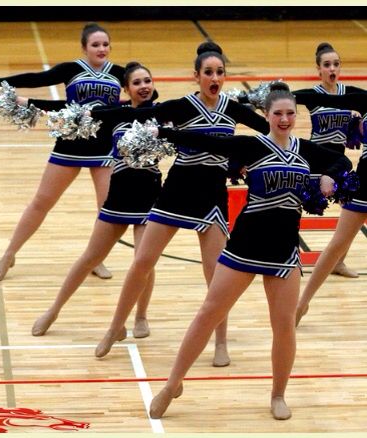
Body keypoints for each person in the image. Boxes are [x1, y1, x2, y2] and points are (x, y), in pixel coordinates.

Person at [143, 82, 352, 420]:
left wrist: (329, 177)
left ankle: (278, 394)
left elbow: (341, 161)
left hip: (284, 251)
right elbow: (207, 141)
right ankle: (172, 384)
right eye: (277, 113)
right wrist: (163, 133)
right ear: (266, 116)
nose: (284, 119)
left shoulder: (306, 150)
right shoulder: (252, 146)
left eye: (289, 113)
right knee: (208, 312)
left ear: (295, 117)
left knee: (283, 325)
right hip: (244, 246)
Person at [91, 41, 270, 367]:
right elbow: (140, 114)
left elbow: (269, 130)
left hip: (212, 196)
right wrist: (93, 113)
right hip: (178, 190)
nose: (214, 77)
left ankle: (221, 341)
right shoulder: (182, 106)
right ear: (196, 76)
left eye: (219, 72)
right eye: (208, 72)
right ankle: (115, 326)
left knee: (216, 276)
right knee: (142, 261)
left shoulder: (232, 108)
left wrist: (243, 160)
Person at [0, 22, 125, 281]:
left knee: (106, 209)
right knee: (42, 201)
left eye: (105, 44)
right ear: (84, 48)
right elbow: (36, 79)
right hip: (69, 144)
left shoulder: (119, 72)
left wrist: (125, 104)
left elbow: (148, 91)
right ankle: (9, 254)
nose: (101, 49)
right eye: (95, 45)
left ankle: (96, 259)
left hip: (103, 148)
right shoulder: (72, 69)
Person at [31, 61, 161, 338]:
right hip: (118, 196)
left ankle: (141, 316)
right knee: (90, 257)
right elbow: (68, 111)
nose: (143, 86)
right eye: (136, 83)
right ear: (126, 89)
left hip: (149, 197)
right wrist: (23, 100)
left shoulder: (165, 115)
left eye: (147, 80)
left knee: (144, 261)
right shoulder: (114, 114)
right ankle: (53, 310)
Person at [291, 90, 367, 327]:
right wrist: (284, 95)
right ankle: (301, 304)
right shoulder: (364, 100)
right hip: (365, 181)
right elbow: (327, 100)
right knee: (337, 245)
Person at [293, 42, 365, 278]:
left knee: (350, 211)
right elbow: (286, 98)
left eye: (336, 64)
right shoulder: (313, 96)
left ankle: (338, 262)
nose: (332, 68)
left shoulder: (351, 94)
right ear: (318, 69)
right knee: (295, 207)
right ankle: (290, 258)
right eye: (327, 65)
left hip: (339, 161)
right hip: (315, 158)